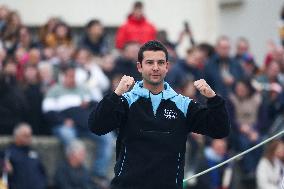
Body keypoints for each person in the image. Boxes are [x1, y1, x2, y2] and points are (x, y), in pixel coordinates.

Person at [88, 40, 230, 189]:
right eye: (149, 62)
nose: (155, 68)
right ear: (139, 67)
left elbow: (220, 129)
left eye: (161, 63)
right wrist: (116, 94)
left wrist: (213, 98)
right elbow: (96, 126)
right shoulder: (125, 101)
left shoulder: (183, 104)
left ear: (167, 67)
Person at [4, 123, 47, 189]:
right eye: (25, 136)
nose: (29, 138)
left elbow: (42, 172)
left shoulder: (34, 152)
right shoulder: (8, 153)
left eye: (30, 135)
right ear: (17, 136)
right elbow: (5, 174)